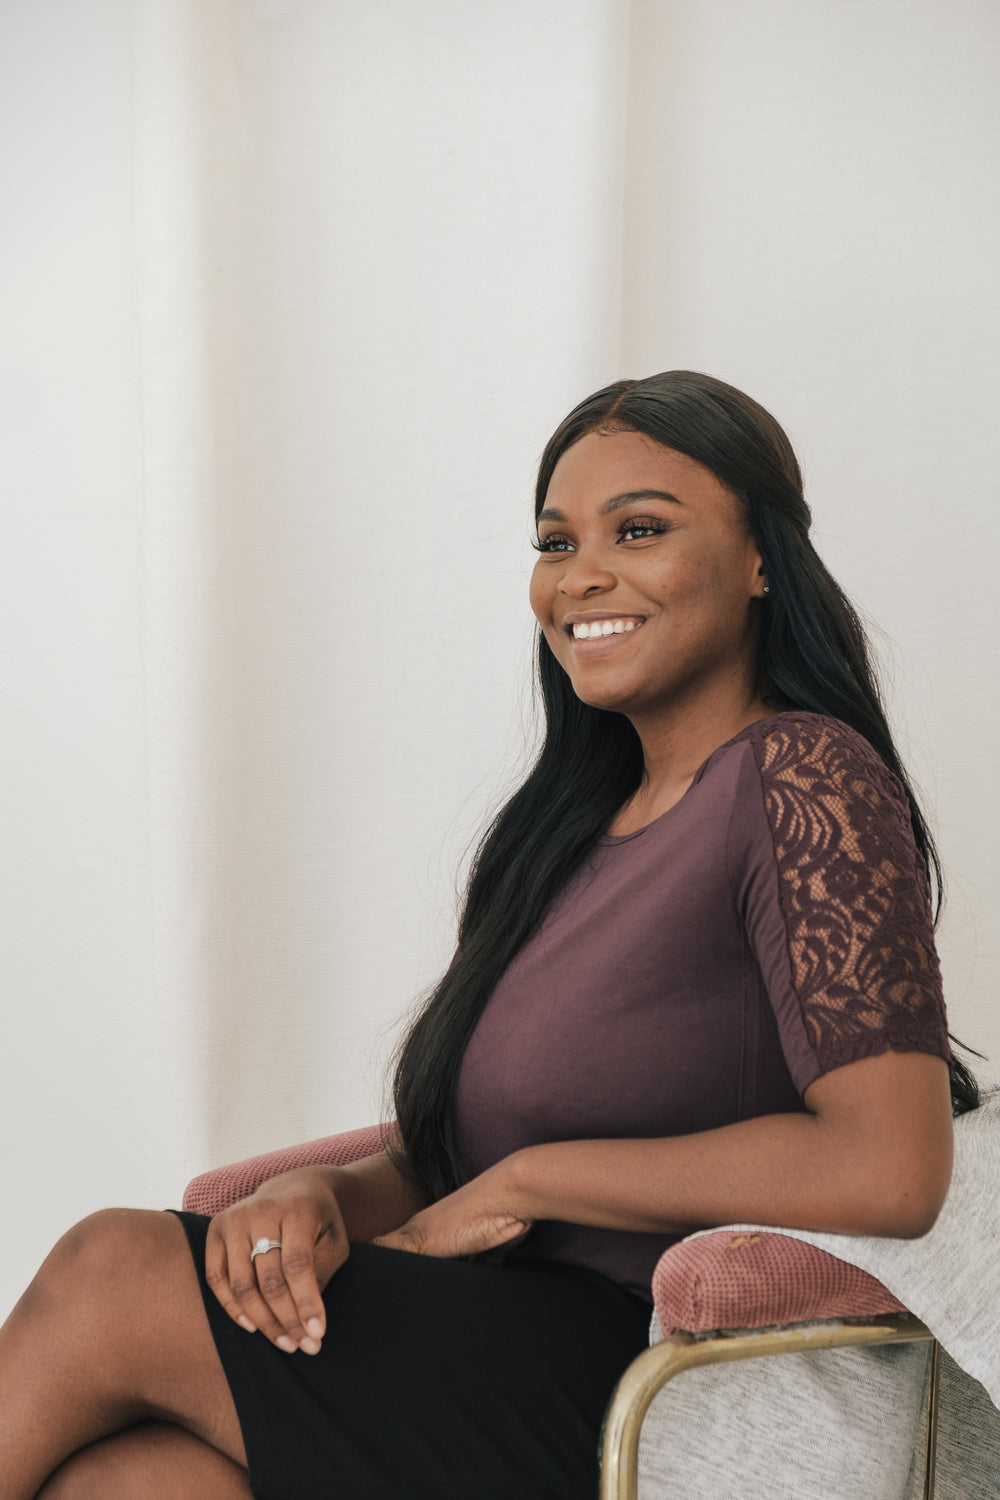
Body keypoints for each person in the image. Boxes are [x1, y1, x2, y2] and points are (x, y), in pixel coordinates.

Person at [0, 371, 976, 1499]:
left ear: (763, 560)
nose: (583, 576)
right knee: (136, 1481)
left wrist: (535, 1181)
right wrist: (324, 1198)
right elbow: (446, 1159)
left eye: (640, 529)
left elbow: (891, 1166)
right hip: (484, 1334)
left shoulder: (801, 775)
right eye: (556, 543)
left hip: (634, 1373)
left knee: (115, 1269)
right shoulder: (556, 839)